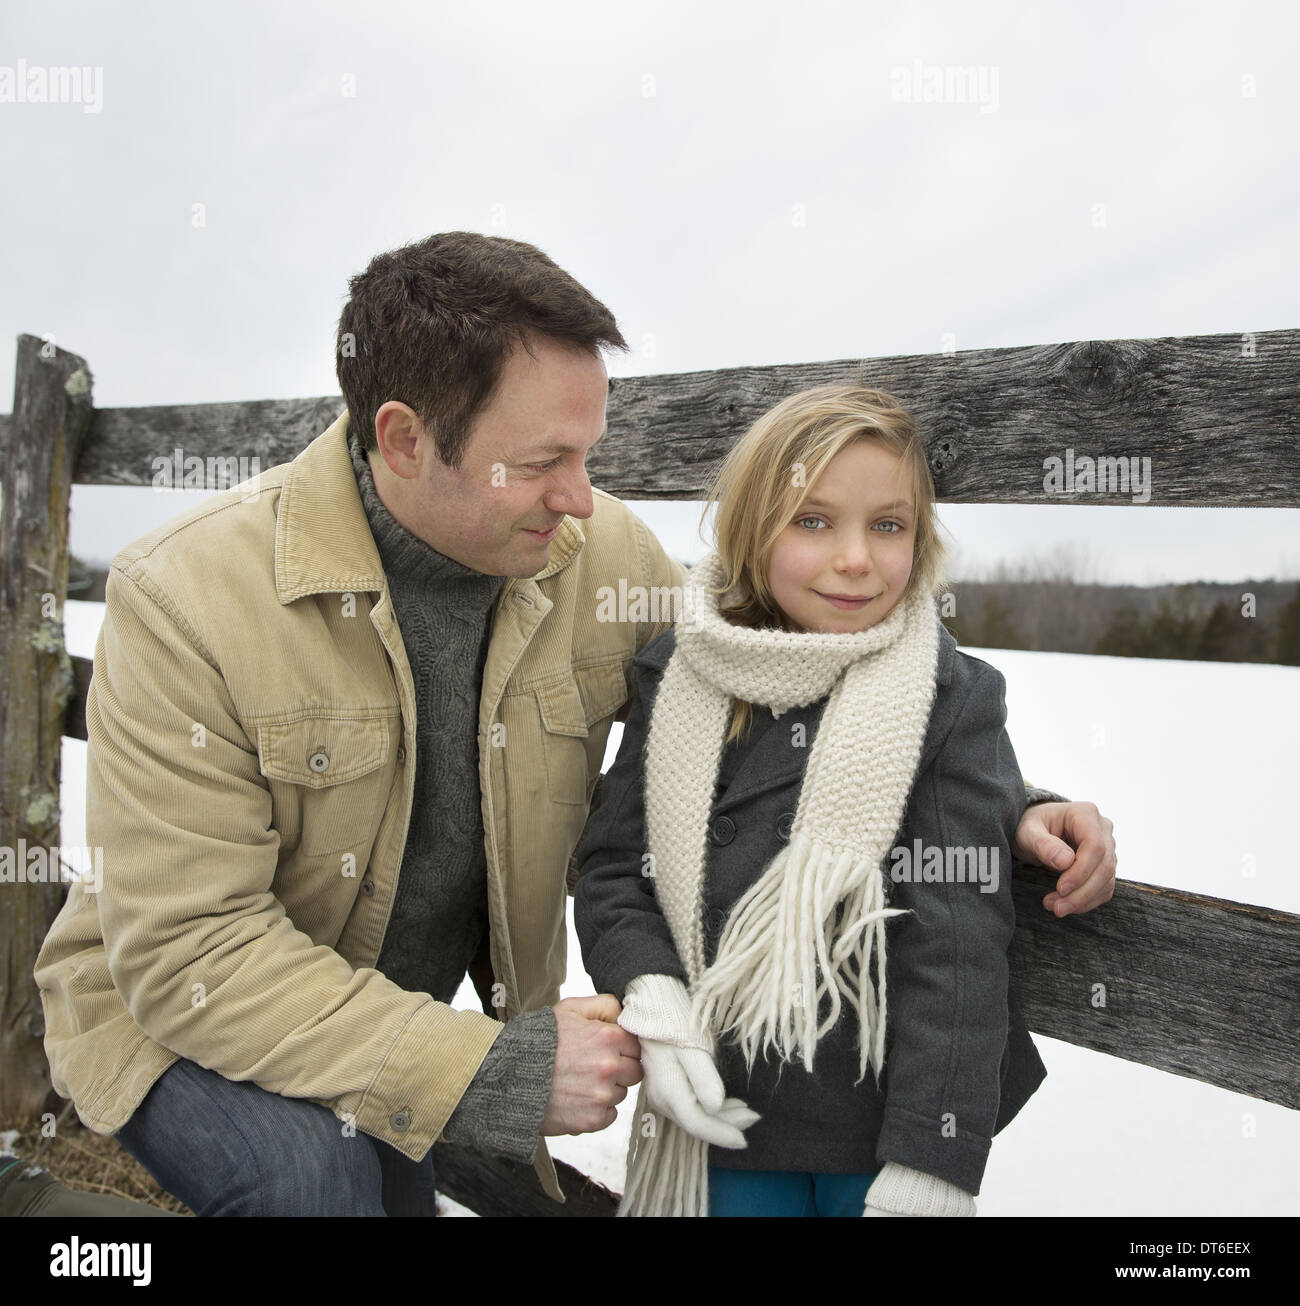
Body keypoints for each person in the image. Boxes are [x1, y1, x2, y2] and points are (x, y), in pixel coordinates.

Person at [31, 233, 1115, 1217]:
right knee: (310, 1176)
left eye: (589, 452)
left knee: (372, 1177)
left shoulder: (600, 566)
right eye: (545, 461)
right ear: (405, 439)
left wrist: (1008, 803)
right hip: (172, 1016)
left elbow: (788, 667)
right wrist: (483, 1071)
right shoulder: (185, 598)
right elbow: (187, 952)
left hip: (403, 1026)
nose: (584, 497)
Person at [574, 383, 1056, 1217]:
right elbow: (616, 864)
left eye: (889, 525)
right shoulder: (677, 674)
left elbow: (961, 947)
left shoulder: (947, 699)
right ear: (754, 526)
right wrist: (651, 991)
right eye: (813, 520)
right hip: (718, 1114)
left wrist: (931, 1160)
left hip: (872, 1134)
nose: (857, 559)